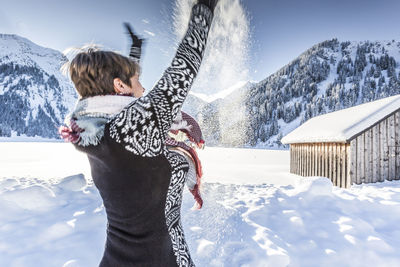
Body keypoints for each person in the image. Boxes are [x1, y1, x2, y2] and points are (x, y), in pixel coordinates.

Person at [59, 1, 218, 266]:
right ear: (119, 85)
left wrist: (135, 50)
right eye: (137, 80)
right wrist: (204, 9)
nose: (144, 89)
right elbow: (182, 70)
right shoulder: (132, 127)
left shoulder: (96, 130)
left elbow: (120, 92)